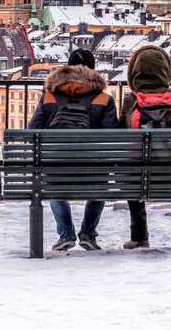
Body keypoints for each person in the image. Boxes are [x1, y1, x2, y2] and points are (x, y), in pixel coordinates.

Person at [27, 49, 118, 251]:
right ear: (93, 71)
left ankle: (66, 233)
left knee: (50, 186)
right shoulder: (103, 99)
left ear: (66, 69)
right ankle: (88, 234)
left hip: (56, 167)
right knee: (100, 187)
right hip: (92, 169)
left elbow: (32, 131)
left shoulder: (50, 97)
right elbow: (111, 136)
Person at [119, 45, 171, 250]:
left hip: (137, 174)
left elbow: (122, 133)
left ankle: (139, 236)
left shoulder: (131, 99)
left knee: (132, 177)